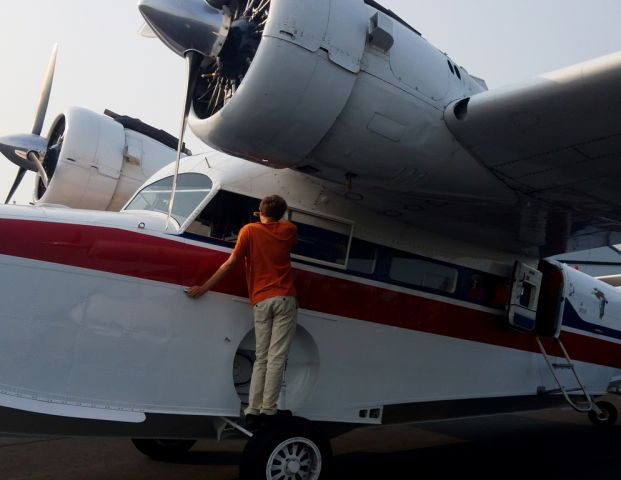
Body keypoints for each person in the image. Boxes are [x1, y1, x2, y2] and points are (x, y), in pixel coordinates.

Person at [186, 194, 298, 427]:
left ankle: (253, 410)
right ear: (281, 213)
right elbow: (283, 222)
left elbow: (230, 264)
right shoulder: (289, 231)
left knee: (262, 357)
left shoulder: (249, 231)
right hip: (285, 298)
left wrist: (204, 288)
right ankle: (269, 410)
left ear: (260, 210)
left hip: (261, 299)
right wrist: (270, 215)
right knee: (277, 357)